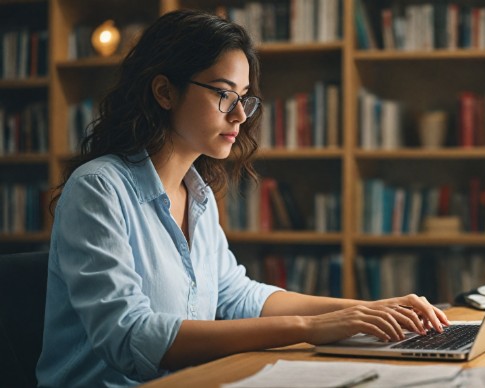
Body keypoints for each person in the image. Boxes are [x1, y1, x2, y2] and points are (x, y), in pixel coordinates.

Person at [36, 9, 449, 387]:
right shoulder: (98, 189)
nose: (239, 116)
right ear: (164, 91)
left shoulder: (197, 194)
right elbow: (129, 336)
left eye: (244, 98)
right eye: (223, 94)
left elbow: (237, 297)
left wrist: (370, 310)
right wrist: (308, 327)